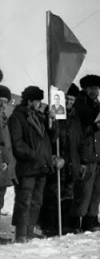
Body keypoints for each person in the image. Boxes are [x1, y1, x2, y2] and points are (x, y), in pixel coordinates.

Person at [9, 86, 64, 243]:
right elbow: (17, 143)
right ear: (29, 101)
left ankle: (30, 231)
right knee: (24, 200)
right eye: (37, 100)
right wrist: (34, 155)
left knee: (36, 201)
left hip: (41, 166)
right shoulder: (18, 117)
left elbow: (52, 138)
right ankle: (21, 234)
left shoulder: (41, 117)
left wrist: (53, 123)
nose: (40, 103)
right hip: (27, 167)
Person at [39, 83, 80, 236]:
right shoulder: (52, 114)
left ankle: (64, 224)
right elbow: (48, 138)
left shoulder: (75, 119)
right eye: (67, 98)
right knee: (52, 194)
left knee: (68, 195)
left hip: (70, 163)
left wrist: (79, 162)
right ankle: (49, 225)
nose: (69, 102)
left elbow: (78, 141)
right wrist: (51, 121)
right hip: (56, 161)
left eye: (72, 99)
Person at [69, 74, 100, 232]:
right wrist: (93, 127)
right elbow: (77, 131)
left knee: (96, 193)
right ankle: (74, 223)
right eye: (91, 88)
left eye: (96, 88)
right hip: (86, 153)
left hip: (99, 154)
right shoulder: (79, 105)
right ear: (85, 89)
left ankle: (90, 221)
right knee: (83, 193)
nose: (94, 91)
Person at [0, 84, 17, 244]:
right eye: (0, 100)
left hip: (4, 168)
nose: (2, 104)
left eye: (5, 101)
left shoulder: (4, 118)